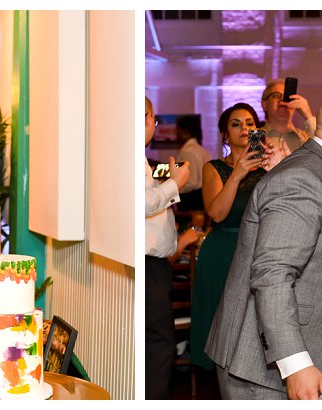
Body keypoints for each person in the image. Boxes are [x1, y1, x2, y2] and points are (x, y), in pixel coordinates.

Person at [204, 89, 322, 400]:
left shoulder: (319, 171)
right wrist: (295, 363)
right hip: (262, 371)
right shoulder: (304, 178)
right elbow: (272, 275)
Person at [188, 103, 268, 371]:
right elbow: (217, 213)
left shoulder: (270, 167)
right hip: (224, 250)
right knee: (221, 327)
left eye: (249, 122)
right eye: (236, 124)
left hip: (259, 250)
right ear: (225, 134)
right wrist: (238, 173)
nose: (244, 128)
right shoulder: (214, 168)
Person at [143, 97, 190, 399]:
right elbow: (142, 205)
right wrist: (174, 184)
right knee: (160, 344)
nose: (149, 123)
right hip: (147, 265)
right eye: (146, 116)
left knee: (156, 343)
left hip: (155, 266)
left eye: (150, 117)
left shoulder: (140, 158)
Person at [260, 79, 315, 150]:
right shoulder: (254, 138)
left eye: (287, 97)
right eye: (276, 96)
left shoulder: (307, 139)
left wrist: (308, 116)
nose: (282, 100)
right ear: (264, 104)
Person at [175, 115, 211, 215]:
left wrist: (174, 189)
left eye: (177, 130)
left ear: (185, 131)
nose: (176, 134)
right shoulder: (202, 150)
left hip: (191, 200)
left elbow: (192, 182)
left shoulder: (188, 151)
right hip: (200, 197)